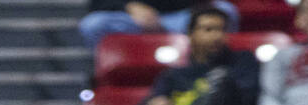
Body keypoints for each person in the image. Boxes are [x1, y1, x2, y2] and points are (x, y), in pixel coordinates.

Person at [133, 6, 258, 105]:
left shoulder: (242, 61)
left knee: (221, 78)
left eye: (222, 30)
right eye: (208, 30)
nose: (217, 36)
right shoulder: (175, 74)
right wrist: (153, 104)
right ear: (191, 34)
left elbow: (247, 100)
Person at [78, 0, 237, 51]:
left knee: (226, 11)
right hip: (132, 18)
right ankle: (105, 77)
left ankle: (217, 68)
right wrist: (129, 6)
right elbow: (97, 3)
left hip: (182, 16)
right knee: (93, 24)